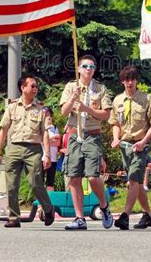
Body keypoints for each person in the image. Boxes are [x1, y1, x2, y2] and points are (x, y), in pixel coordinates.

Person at [0, 74, 55, 228]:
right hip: (14, 147)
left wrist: (47, 154)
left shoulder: (42, 109)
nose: (35, 89)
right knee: (12, 184)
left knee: (35, 182)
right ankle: (14, 217)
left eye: (36, 86)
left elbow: (46, 133)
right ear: (23, 88)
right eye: (32, 86)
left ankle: (48, 209)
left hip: (33, 149)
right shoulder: (12, 106)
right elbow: (3, 130)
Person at [60, 54, 113, 230]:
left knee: (92, 176)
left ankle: (104, 206)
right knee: (74, 177)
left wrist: (87, 109)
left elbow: (106, 115)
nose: (88, 69)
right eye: (84, 66)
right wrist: (73, 99)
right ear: (78, 69)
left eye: (91, 66)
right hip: (75, 134)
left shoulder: (100, 88)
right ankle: (79, 217)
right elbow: (63, 112)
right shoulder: (71, 87)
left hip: (92, 134)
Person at [110, 65, 151, 230]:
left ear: (137, 81)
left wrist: (143, 142)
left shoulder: (146, 99)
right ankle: (148, 215)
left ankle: (125, 216)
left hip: (140, 146)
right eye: (126, 79)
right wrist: (116, 138)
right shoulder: (117, 100)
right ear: (122, 81)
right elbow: (115, 123)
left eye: (132, 79)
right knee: (136, 183)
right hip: (125, 146)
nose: (129, 82)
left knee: (133, 180)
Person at [44, 108, 61, 191]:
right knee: (39, 180)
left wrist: (47, 140)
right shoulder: (41, 127)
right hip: (43, 157)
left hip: (53, 158)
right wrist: (53, 139)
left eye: (50, 115)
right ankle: (41, 202)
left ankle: (50, 201)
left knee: (50, 181)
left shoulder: (54, 128)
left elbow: (58, 143)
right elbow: (40, 141)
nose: (49, 118)